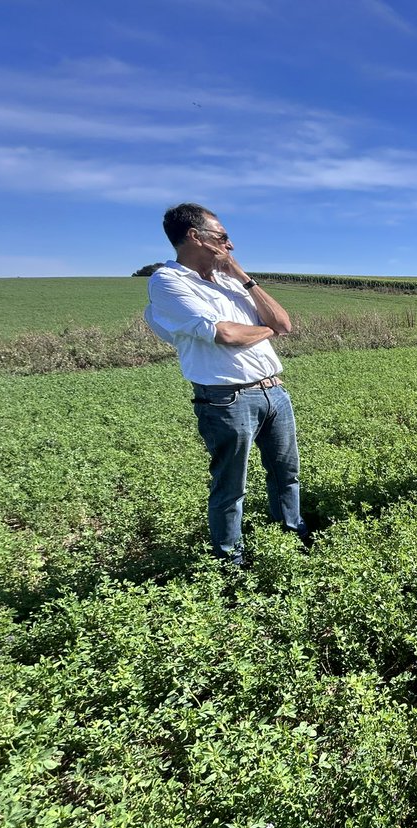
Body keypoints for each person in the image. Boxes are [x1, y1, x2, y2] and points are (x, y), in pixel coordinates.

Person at [145, 203, 308, 565]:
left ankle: (292, 536)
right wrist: (269, 330)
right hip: (226, 399)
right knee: (230, 485)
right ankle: (230, 560)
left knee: (287, 473)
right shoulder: (168, 283)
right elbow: (227, 334)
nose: (229, 244)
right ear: (194, 236)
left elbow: (285, 322)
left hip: (273, 390)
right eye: (222, 237)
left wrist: (241, 274)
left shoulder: (232, 280)